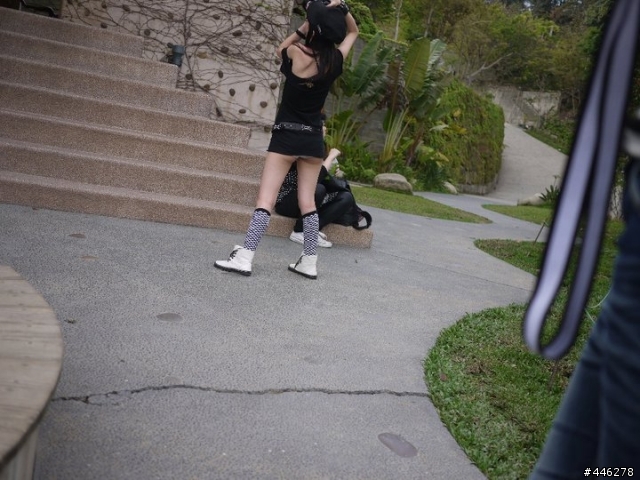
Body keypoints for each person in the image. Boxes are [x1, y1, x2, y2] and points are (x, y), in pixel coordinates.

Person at [214, 0, 358, 279]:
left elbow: (280, 47)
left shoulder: (295, 52)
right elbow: (353, 32)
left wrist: (304, 27)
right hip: (313, 141)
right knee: (308, 204)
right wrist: (343, 8)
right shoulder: (335, 61)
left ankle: (245, 256)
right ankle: (309, 262)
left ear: (313, 28)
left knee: (265, 200)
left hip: (286, 137)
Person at [276, 144, 357, 249]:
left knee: (346, 197)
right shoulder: (300, 146)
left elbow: (322, 178)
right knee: (318, 189)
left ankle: (312, 230)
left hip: (311, 202)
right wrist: (330, 158)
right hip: (287, 202)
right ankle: (299, 231)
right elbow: (313, 181)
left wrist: (332, 175)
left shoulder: (319, 145)